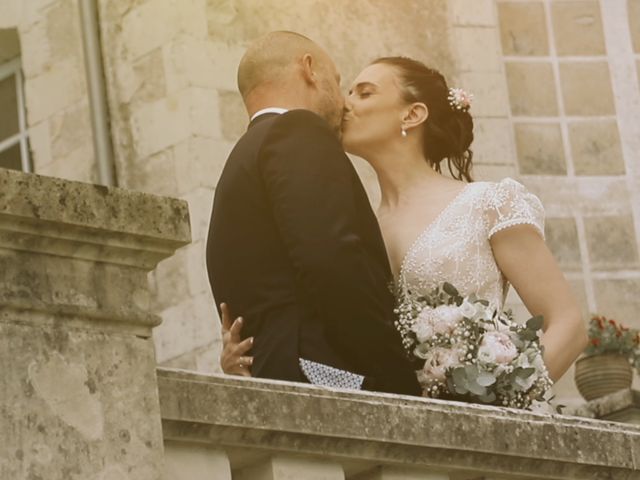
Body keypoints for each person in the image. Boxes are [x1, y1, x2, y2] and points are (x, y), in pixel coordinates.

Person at [218, 52, 589, 392]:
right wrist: (255, 356)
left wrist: (509, 397)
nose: (344, 103)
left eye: (364, 93)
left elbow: (568, 325)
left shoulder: (488, 203)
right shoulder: (352, 227)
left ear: (412, 114)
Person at [206, 31, 421, 395]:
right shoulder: (297, 130)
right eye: (338, 83)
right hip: (326, 375)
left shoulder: (239, 162)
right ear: (309, 69)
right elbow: (332, 259)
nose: (343, 102)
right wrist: (398, 380)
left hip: (272, 379)